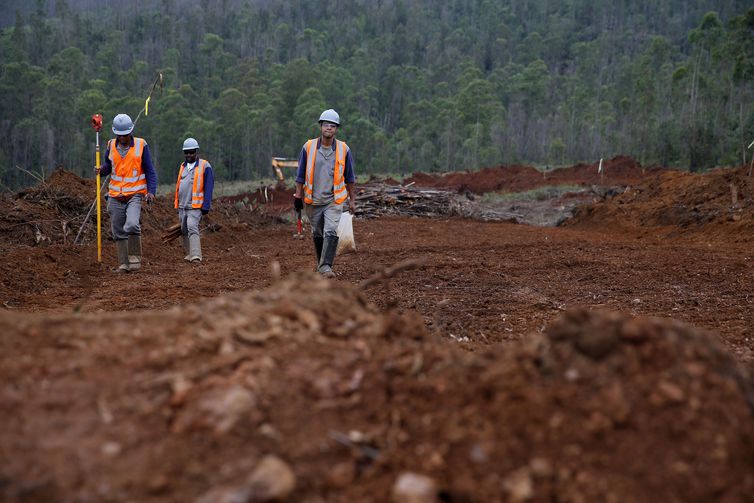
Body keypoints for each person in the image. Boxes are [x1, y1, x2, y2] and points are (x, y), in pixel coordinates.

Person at [293, 109, 356, 278]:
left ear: (336, 129)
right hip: (313, 201)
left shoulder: (344, 149)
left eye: (333, 126)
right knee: (317, 233)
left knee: (330, 231)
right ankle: (321, 263)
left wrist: (352, 200)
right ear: (321, 126)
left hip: (334, 200)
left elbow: (350, 177)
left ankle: (326, 266)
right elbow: (300, 174)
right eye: (326, 125)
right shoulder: (308, 147)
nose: (329, 128)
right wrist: (298, 196)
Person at [96, 113, 157, 273]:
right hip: (115, 195)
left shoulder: (141, 145)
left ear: (131, 131)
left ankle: (135, 259)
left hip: (135, 194)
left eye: (125, 135)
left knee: (131, 224)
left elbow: (150, 171)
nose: (122, 138)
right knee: (118, 230)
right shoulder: (110, 145)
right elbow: (109, 167)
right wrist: (101, 170)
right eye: (119, 135)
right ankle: (123, 264)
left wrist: (151, 192)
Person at [174, 137, 214, 262]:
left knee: (192, 227)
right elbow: (179, 185)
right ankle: (189, 254)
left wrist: (206, 205)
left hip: (195, 206)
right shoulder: (183, 166)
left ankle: (196, 255)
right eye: (186, 152)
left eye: (191, 152)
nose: (189, 154)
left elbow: (209, 186)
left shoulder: (204, 165)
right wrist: (177, 203)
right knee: (184, 229)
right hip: (182, 205)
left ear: (196, 151)